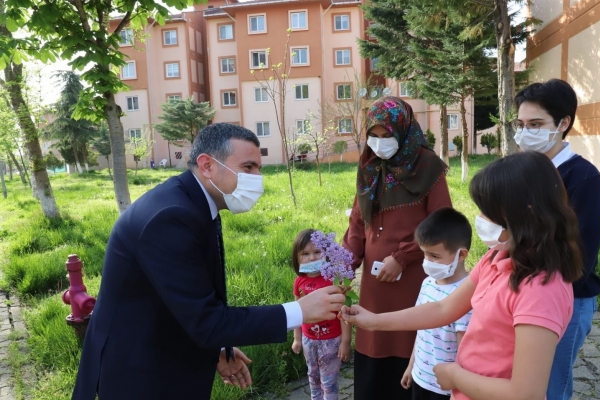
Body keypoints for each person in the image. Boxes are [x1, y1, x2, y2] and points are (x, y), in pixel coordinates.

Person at [72, 124, 346, 400]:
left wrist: (216, 348)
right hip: (141, 372)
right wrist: (299, 311)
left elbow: (188, 297)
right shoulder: (170, 217)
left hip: (162, 355)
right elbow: (206, 319)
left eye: (259, 168)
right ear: (207, 165)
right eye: (248, 167)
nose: (258, 178)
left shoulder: (193, 202)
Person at [341, 151, 584, 400]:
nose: (480, 219)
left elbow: (526, 394)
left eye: (487, 212)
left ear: (525, 212)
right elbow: (444, 308)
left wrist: (456, 377)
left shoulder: (541, 289)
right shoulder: (497, 258)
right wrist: (374, 321)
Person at [342, 96, 452, 400]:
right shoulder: (368, 166)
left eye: (386, 135)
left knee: (407, 345)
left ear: (403, 131)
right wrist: (343, 265)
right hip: (374, 287)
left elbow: (441, 222)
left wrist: (403, 257)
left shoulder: (427, 166)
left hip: (413, 282)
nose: (379, 143)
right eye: (373, 136)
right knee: (373, 348)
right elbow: (357, 222)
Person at [513, 79, 600, 400]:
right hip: (523, 292)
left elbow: (579, 259)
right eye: (521, 125)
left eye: (536, 124)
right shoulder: (523, 172)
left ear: (563, 123)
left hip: (564, 299)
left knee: (549, 388)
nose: (525, 133)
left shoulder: (584, 179)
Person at [400, 208, 473, 400]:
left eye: (434, 256)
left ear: (461, 255)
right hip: (420, 377)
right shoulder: (427, 283)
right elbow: (421, 330)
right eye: (424, 254)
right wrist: (411, 366)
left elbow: (465, 352)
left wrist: (459, 389)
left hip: (445, 389)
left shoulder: (466, 294)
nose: (427, 261)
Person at [291, 229, 352, 400]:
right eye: (305, 254)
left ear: (327, 253)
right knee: (312, 376)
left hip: (331, 340)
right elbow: (297, 311)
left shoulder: (334, 281)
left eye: (317, 252)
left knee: (329, 380)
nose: (312, 258)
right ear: (297, 258)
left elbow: (345, 312)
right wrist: (297, 338)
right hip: (308, 340)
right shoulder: (299, 282)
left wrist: (346, 342)